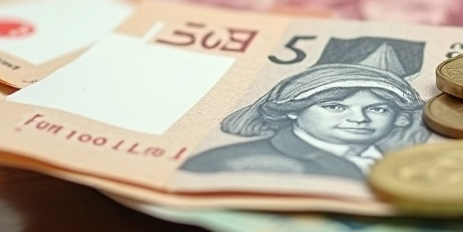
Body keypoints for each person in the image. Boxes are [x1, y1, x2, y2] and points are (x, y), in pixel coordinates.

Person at [180, 64, 428, 180]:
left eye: (377, 109)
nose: (359, 119)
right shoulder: (224, 163)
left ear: (398, 117)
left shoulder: (405, 158)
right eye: (335, 107)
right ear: (292, 111)